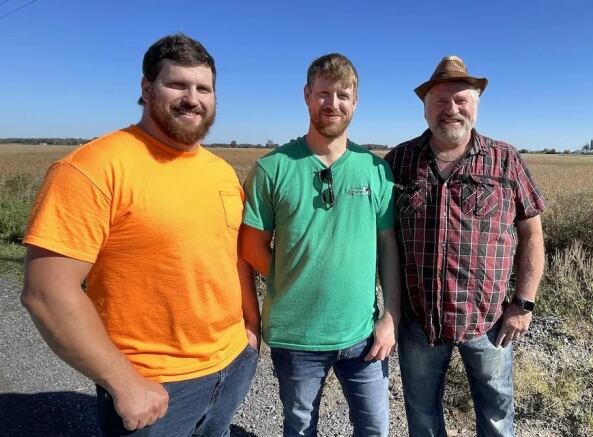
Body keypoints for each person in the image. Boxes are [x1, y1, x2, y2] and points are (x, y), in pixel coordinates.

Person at [21, 33, 260, 436]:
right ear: (146, 88)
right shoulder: (94, 168)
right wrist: (123, 383)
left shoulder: (220, 172)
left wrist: (250, 329)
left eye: (204, 88)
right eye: (177, 84)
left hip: (232, 364)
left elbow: (232, 257)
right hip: (155, 382)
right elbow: (46, 293)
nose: (192, 98)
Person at [384, 55, 546, 437]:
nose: (450, 109)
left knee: (495, 415)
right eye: (440, 101)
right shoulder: (399, 161)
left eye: (461, 100)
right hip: (418, 321)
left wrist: (523, 303)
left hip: (488, 322)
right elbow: (380, 237)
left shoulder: (504, 159)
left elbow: (532, 233)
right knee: (422, 415)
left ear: (476, 104)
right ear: (425, 108)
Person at [240, 53, 400, 437]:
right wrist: (294, 274)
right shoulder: (272, 168)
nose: (333, 103)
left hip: (362, 334)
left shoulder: (375, 169)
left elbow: (388, 249)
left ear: (355, 102)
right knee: (299, 426)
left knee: (375, 428)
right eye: (324, 93)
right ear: (307, 96)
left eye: (343, 95)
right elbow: (250, 246)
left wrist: (390, 319)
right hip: (295, 335)